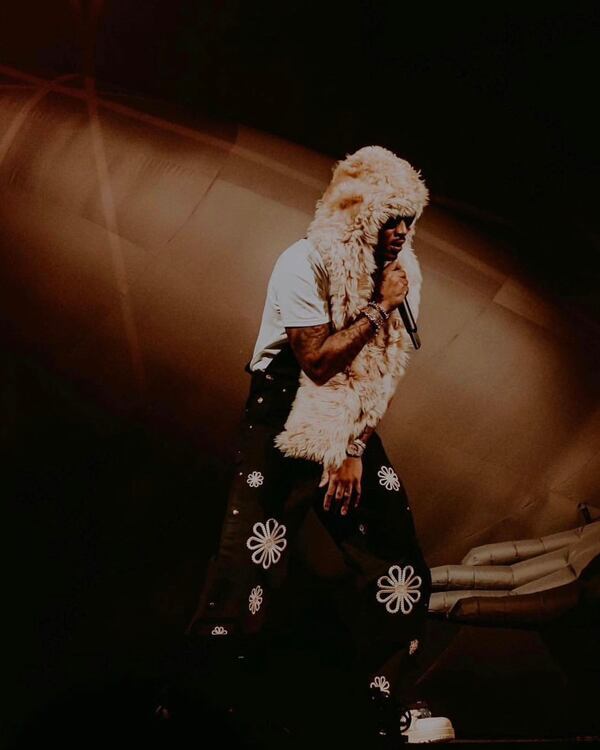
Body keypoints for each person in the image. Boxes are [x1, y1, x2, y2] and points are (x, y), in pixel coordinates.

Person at [181, 146, 454, 744]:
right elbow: (318, 363)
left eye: (409, 218)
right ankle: (203, 715)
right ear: (359, 213)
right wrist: (380, 307)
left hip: (352, 417)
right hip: (282, 411)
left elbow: (381, 368)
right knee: (246, 569)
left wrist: (352, 446)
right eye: (390, 217)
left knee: (398, 563)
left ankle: (386, 706)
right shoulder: (302, 262)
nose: (401, 230)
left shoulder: (402, 273)